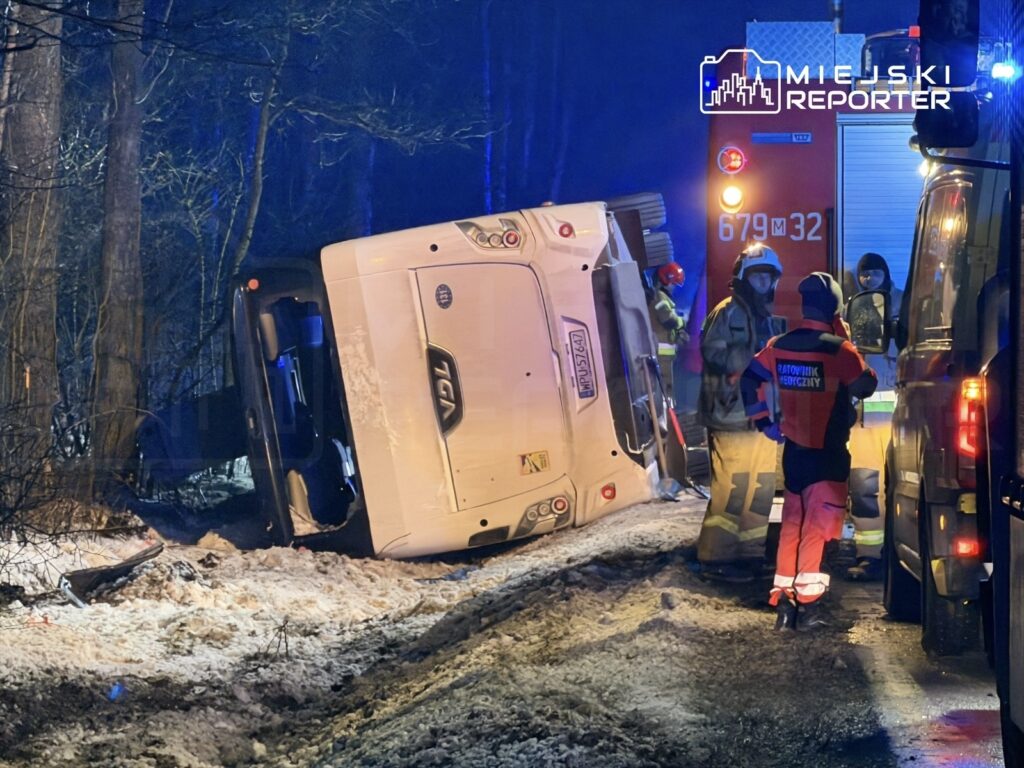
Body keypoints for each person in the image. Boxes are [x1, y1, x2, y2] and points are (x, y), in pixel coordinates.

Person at [741, 272, 877, 630]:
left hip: (795, 454)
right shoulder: (838, 349)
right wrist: (844, 336)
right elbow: (866, 385)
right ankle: (809, 609)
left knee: (792, 526)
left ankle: (784, 604)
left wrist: (764, 423)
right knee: (817, 529)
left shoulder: (780, 344)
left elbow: (749, 379)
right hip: (827, 454)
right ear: (834, 306)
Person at [696, 243, 785, 583]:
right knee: (732, 490)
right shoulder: (726, 312)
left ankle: (748, 554)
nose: (763, 284)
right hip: (731, 417)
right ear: (744, 278)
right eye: (757, 277)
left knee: (760, 488)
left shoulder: (769, 319)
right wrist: (751, 364)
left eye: (768, 277)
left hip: (762, 419)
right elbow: (712, 351)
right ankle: (716, 558)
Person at [845, 252, 901, 581]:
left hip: (899, 419)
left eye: (874, 272)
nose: (869, 279)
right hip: (862, 421)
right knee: (864, 488)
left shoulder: (904, 305)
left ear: (885, 273)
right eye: (864, 274)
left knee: (900, 487)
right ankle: (868, 554)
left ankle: (900, 549)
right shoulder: (854, 309)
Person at [648, 261, 689, 398]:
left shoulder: (662, 296)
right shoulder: (659, 296)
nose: (674, 288)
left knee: (667, 389)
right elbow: (667, 319)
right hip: (661, 355)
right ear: (666, 281)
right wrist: (682, 322)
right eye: (673, 284)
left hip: (665, 355)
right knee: (665, 390)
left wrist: (678, 334)